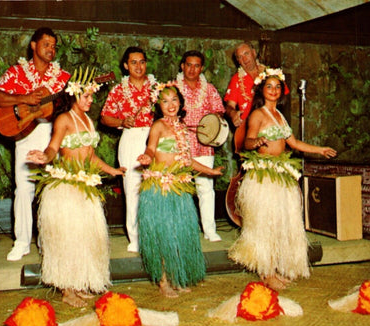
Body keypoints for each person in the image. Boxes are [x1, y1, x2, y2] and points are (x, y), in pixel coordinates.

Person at [228, 68, 337, 291]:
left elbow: (294, 144)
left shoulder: (280, 116)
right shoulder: (257, 114)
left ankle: (275, 269)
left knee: (279, 224)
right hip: (263, 175)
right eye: (269, 86)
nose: (274, 90)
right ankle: (265, 273)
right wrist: (256, 142)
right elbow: (247, 142)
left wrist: (320, 149)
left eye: (277, 87)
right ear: (262, 90)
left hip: (280, 174)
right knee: (264, 224)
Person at [26, 73, 125, 307]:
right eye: (86, 96)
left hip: (85, 185)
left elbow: (90, 155)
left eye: (91, 96)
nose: (90, 100)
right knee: (67, 239)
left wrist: (112, 171)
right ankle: (66, 289)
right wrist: (44, 157)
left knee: (86, 238)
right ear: (73, 95)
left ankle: (79, 283)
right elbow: (53, 148)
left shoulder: (88, 121)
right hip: (67, 187)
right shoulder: (64, 120)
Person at [0, 27, 71, 261]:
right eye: (46, 44)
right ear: (33, 46)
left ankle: (52, 244)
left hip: (55, 134)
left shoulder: (62, 77)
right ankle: (22, 242)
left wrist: (78, 94)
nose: (51, 50)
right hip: (25, 133)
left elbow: (71, 103)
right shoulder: (17, 72)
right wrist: (24, 98)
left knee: (55, 189)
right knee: (23, 189)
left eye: (54, 46)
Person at [136, 85, 224, 298]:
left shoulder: (183, 128)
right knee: (163, 236)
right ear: (159, 105)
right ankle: (163, 281)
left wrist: (210, 171)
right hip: (160, 189)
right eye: (165, 101)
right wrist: (147, 156)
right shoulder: (157, 125)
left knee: (179, 235)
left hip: (179, 187)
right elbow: (150, 147)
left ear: (180, 102)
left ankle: (176, 277)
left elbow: (187, 160)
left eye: (174, 99)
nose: (170, 105)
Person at [100, 46, 156, 253]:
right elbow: (105, 117)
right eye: (133, 62)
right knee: (131, 188)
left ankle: (155, 233)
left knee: (156, 186)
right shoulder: (118, 90)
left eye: (142, 62)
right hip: (130, 139)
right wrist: (122, 121)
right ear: (126, 65)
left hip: (154, 137)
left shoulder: (157, 87)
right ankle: (135, 237)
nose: (138, 66)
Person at [176, 50, 226, 242]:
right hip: (180, 144)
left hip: (204, 144)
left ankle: (210, 231)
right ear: (182, 66)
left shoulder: (210, 89)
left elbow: (219, 113)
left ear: (201, 68)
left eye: (197, 65)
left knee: (205, 188)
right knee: (180, 187)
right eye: (189, 65)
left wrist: (211, 125)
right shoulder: (173, 87)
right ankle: (183, 230)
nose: (192, 69)